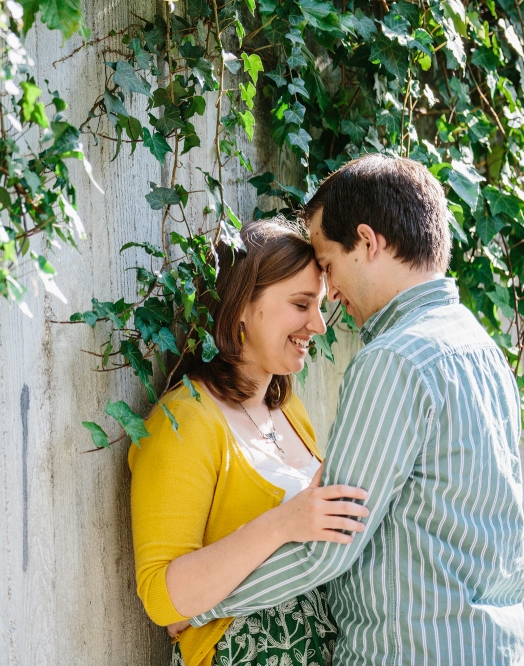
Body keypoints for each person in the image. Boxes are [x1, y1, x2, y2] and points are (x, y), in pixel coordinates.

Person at [185, 155, 524, 664]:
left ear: (368, 241)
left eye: (326, 264)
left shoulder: (394, 359)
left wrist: (200, 606)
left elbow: (330, 542)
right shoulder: (482, 350)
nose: (330, 292)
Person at [129, 218, 371, 666]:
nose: (318, 325)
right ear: (241, 305)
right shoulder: (185, 421)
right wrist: (282, 524)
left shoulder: (288, 409)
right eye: (301, 304)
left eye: (318, 305)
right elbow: (162, 598)